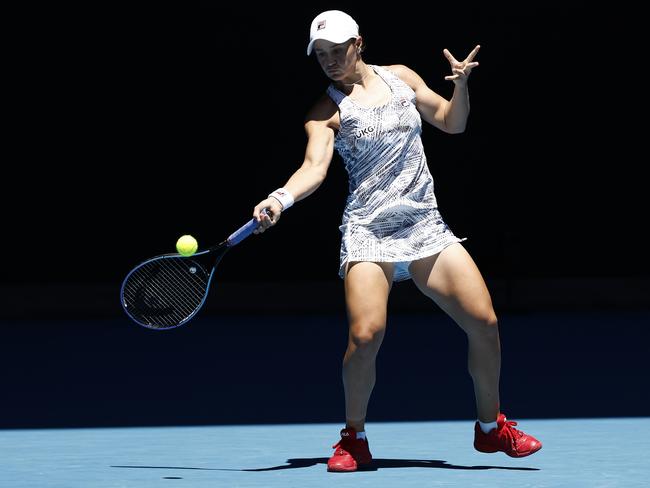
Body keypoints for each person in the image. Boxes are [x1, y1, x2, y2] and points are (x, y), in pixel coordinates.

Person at [252, 9, 542, 472]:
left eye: (336, 51)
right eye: (320, 55)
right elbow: (313, 168)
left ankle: (491, 430)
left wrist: (460, 88)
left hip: (424, 226)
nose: (328, 61)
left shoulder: (402, 78)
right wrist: (280, 198)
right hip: (369, 231)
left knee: (484, 324)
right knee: (365, 336)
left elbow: (452, 122)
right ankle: (354, 438)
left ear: (358, 43)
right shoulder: (324, 112)